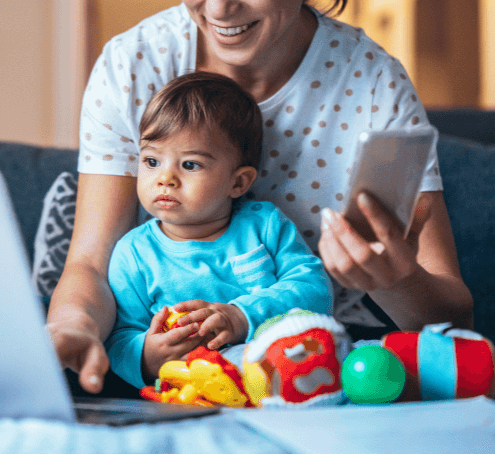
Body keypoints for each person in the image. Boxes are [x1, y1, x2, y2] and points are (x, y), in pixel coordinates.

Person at [46, 0, 479, 399]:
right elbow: (90, 262)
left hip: (322, 372)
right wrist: (72, 326)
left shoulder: (372, 84)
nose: (219, 5)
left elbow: (454, 313)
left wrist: (396, 281)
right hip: (175, 378)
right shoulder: (133, 64)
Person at [105, 72, 332, 387]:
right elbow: (120, 337)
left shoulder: (264, 225)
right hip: (188, 394)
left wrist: (242, 317)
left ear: (238, 182)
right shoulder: (133, 254)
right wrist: (146, 356)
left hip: (282, 381)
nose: (164, 179)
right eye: (152, 161)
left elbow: (315, 292)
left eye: (190, 165)